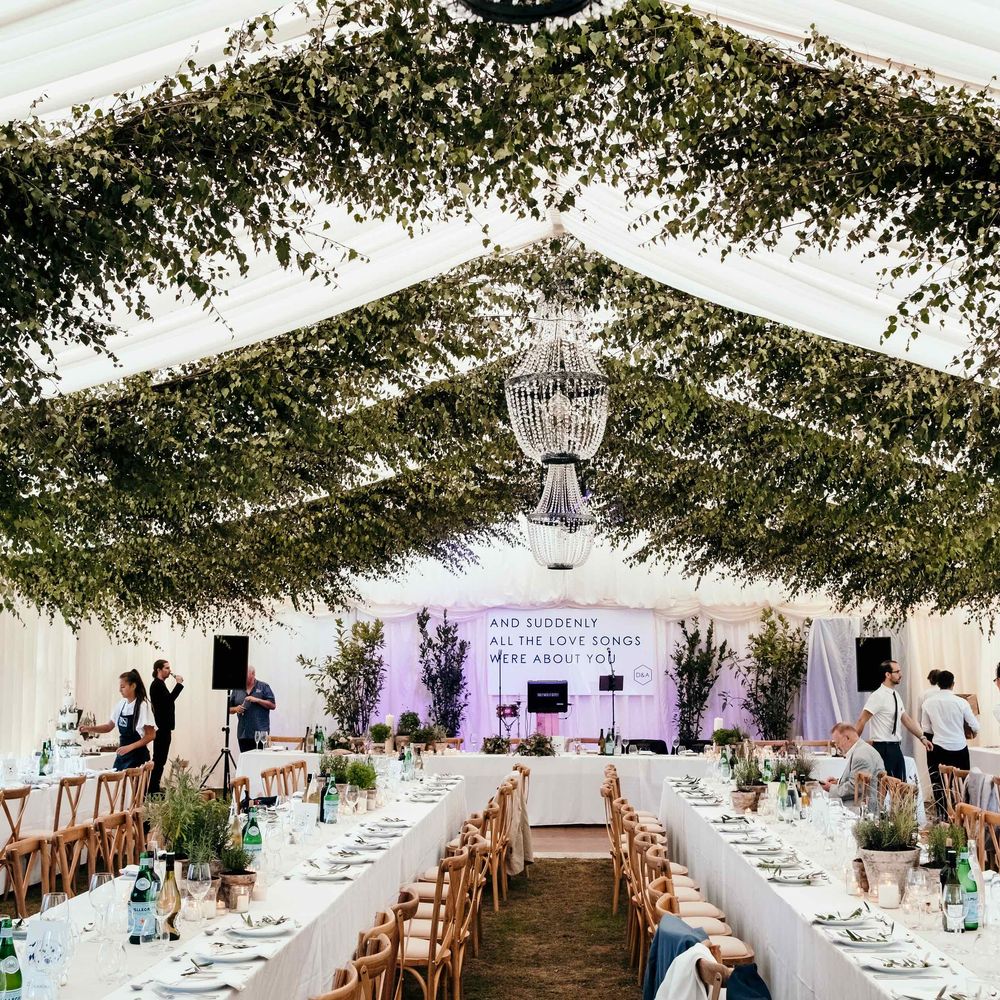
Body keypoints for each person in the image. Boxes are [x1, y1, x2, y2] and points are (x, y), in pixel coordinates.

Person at [854, 659, 932, 780]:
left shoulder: (895, 694)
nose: (900, 675)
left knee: (901, 787)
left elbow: (905, 718)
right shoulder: (877, 696)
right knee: (882, 789)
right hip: (882, 748)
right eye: (897, 672)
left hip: (895, 747)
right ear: (887, 674)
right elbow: (862, 720)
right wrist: (853, 744)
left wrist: (922, 737)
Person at [921, 669, 979, 817]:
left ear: (938, 684)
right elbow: (975, 726)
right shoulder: (961, 702)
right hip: (960, 748)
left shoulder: (928, 702)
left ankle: (943, 816)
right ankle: (964, 816)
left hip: (939, 748)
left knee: (939, 784)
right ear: (953, 684)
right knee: (963, 784)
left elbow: (926, 729)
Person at [79, 669, 156, 770]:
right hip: (122, 755)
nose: (120, 690)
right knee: (117, 784)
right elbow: (108, 727)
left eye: (123, 687)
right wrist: (89, 729)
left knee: (131, 785)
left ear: (133, 686)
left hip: (138, 756)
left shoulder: (143, 706)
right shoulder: (121, 704)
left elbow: (151, 735)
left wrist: (129, 747)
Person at [820, 723, 884, 810]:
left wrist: (830, 788)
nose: (837, 746)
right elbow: (856, 781)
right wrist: (838, 783)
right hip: (860, 803)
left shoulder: (861, 756)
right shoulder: (861, 749)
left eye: (837, 742)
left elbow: (855, 788)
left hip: (862, 809)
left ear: (847, 738)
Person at [148, 658, 185, 795]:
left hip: (165, 727)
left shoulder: (160, 684)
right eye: (167, 668)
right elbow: (168, 701)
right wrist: (179, 685)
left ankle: (154, 787)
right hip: (161, 728)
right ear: (158, 670)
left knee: (160, 759)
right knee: (159, 759)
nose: (169, 671)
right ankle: (152, 789)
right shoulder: (156, 685)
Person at [229, 666, 276, 752]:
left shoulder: (264, 687)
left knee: (261, 762)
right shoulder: (236, 689)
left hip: (261, 733)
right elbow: (228, 709)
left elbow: (272, 705)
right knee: (247, 761)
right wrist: (236, 709)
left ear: (253, 674)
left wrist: (257, 700)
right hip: (243, 733)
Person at [918, 668, 941, 812]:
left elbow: (919, 719)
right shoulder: (946, 694)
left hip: (930, 736)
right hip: (946, 735)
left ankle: (938, 803)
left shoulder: (923, 695)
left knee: (933, 770)